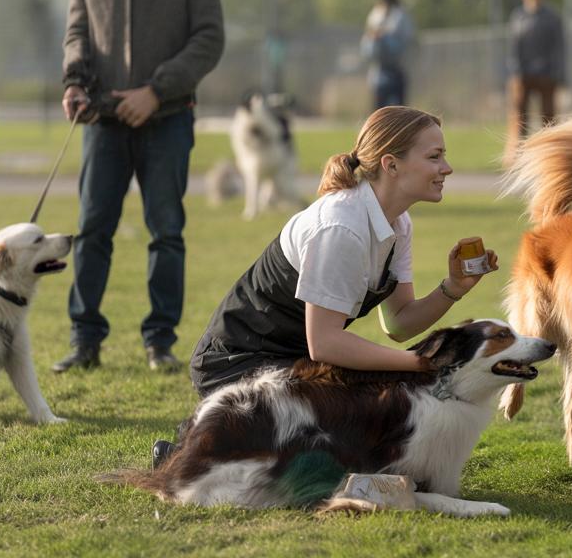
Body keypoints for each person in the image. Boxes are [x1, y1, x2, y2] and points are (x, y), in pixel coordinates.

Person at [187, 105, 497, 396]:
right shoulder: (340, 227)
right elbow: (325, 344)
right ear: (391, 164)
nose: (448, 168)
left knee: (379, 407)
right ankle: (195, 452)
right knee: (365, 410)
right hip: (234, 367)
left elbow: (399, 324)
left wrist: (453, 288)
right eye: (435, 156)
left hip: (293, 362)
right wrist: (420, 364)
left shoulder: (398, 223)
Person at [54, 0, 225, 374]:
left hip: (168, 117)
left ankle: (160, 342)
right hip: (103, 121)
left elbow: (209, 40)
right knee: (91, 231)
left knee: (166, 231)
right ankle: (84, 342)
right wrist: (74, 82)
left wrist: (155, 90)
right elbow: (77, 32)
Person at [505, 0, 566, 164]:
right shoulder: (519, 16)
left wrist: (559, 73)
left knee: (548, 118)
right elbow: (514, 47)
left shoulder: (552, 18)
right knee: (519, 116)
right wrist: (514, 71)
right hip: (523, 74)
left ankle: (551, 154)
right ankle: (516, 154)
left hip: (546, 74)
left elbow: (559, 48)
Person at [361, 0, 414, 110]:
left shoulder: (400, 16)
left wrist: (384, 37)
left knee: (400, 111)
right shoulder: (376, 15)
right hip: (380, 71)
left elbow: (402, 45)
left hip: (397, 70)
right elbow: (367, 49)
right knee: (379, 111)